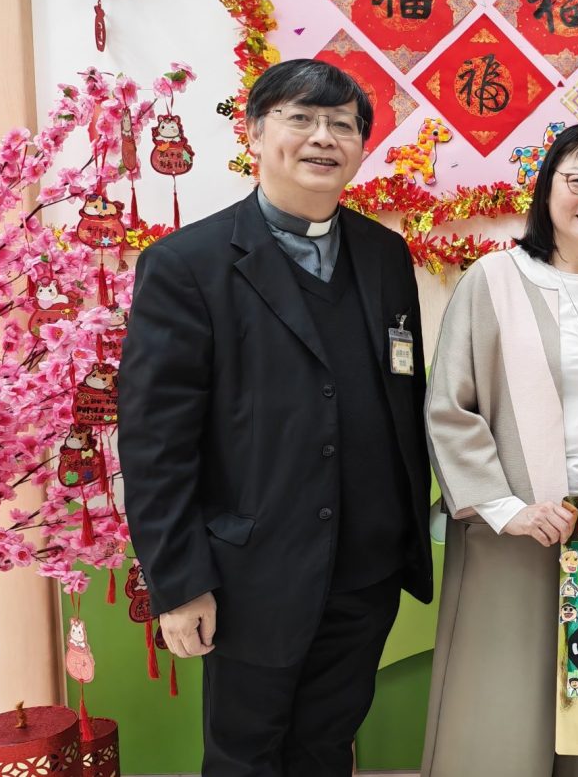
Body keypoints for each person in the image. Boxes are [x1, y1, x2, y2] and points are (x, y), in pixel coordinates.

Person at [119, 59, 432, 776]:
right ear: (256, 134)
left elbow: (400, 389)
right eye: (301, 118)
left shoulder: (385, 255)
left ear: (361, 146)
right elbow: (155, 443)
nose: (323, 138)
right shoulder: (187, 265)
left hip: (367, 569)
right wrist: (179, 582)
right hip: (250, 574)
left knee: (326, 746)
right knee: (245, 755)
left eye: (342, 125)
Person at [422, 122, 578, 777]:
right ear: (547, 188)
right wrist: (509, 509)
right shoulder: (494, 279)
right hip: (512, 533)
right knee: (501, 714)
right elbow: (450, 407)